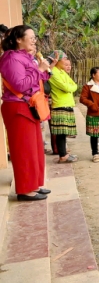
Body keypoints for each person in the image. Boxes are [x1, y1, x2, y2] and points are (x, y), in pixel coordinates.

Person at [0, 25, 51, 201]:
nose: (34, 40)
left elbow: (38, 79)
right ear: (18, 40)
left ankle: (34, 184)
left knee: (35, 148)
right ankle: (25, 189)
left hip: (29, 106)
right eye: (31, 37)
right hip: (17, 108)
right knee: (24, 150)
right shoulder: (11, 59)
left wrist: (45, 69)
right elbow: (20, 85)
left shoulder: (25, 57)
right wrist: (40, 70)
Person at [48, 50, 79, 163]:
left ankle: (64, 153)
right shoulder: (53, 73)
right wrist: (69, 87)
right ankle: (62, 155)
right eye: (64, 59)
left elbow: (74, 85)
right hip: (60, 104)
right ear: (58, 60)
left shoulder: (61, 72)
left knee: (64, 132)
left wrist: (70, 87)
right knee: (61, 133)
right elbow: (67, 88)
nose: (66, 61)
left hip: (66, 104)